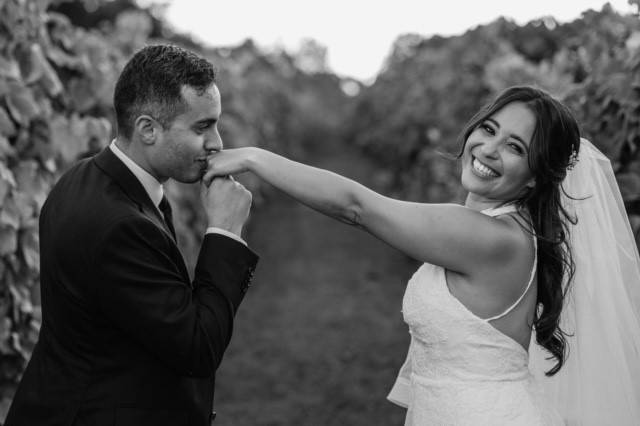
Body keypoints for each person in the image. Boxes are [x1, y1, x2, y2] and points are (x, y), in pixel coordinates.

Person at [202, 86, 640, 425]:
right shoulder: (508, 231)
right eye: (489, 129)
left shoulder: (490, 237)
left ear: (534, 177)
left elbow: (357, 207)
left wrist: (254, 158)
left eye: (515, 147)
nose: (488, 149)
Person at [4, 45, 259, 426]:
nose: (217, 143)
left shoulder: (82, 177)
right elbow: (197, 347)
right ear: (147, 129)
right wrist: (224, 232)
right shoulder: (119, 225)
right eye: (202, 127)